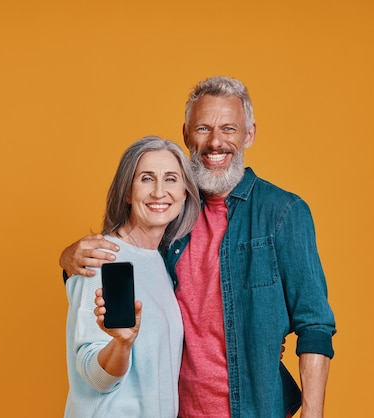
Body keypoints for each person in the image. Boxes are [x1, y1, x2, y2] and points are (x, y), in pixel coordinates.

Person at [61, 76, 337, 418]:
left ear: (249, 134)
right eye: (204, 128)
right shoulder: (172, 217)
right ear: (187, 134)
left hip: (253, 409)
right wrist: (70, 257)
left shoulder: (283, 213)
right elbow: (124, 258)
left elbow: (315, 326)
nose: (215, 142)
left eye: (229, 129)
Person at [64, 136, 200, 417]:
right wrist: (121, 344)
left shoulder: (162, 263)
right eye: (147, 179)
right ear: (127, 191)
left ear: (185, 192)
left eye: (171, 179)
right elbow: (94, 375)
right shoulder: (101, 258)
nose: (159, 192)